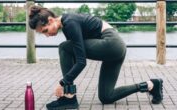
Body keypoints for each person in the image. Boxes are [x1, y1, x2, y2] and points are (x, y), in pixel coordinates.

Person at [28, 5, 163, 110]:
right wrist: (68, 81)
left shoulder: (69, 22)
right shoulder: (68, 24)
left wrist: (63, 84)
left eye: (45, 30)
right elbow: (75, 57)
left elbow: (81, 62)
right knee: (106, 96)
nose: (46, 35)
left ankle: (69, 98)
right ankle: (151, 85)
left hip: (111, 43)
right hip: (115, 50)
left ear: (51, 20)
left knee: (64, 47)